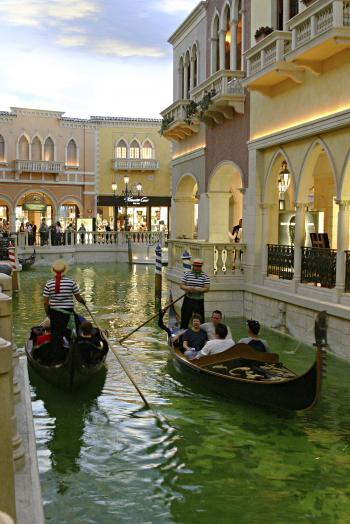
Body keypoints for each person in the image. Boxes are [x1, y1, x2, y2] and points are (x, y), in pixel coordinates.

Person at [43, 260, 86, 362]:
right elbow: (78, 297)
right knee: (72, 336)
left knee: (56, 337)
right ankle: (76, 358)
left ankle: (57, 360)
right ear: (64, 271)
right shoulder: (71, 282)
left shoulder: (49, 284)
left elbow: (45, 302)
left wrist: (48, 313)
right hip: (68, 314)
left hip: (54, 314)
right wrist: (83, 302)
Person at [180, 259, 210, 329]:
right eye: (196, 266)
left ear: (201, 266)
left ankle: (200, 332)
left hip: (199, 301)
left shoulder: (205, 276)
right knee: (185, 317)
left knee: (200, 318)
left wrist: (197, 289)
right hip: (188, 299)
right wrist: (188, 288)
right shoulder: (187, 274)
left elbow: (207, 288)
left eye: (199, 266)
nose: (197, 267)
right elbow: (181, 285)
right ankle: (183, 331)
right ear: (193, 266)